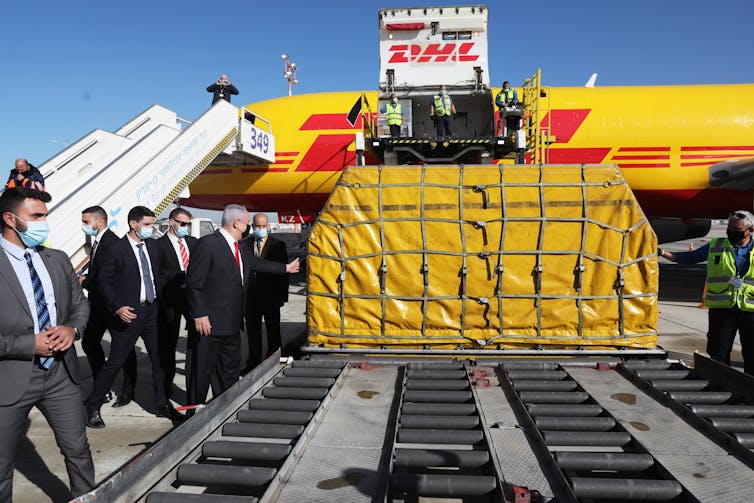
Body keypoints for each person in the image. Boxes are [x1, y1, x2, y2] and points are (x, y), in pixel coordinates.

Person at [0, 187, 95, 500]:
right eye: (37, 216)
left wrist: (72, 330)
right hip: (10, 380)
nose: (44, 223)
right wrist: (29, 344)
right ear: (10, 219)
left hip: (60, 375)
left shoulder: (56, 258)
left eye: (45, 216)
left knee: (78, 449)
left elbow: (80, 304)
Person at [185, 205, 299, 409]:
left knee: (228, 370)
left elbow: (257, 264)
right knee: (201, 371)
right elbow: (193, 283)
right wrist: (199, 314)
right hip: (209, 323)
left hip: (233, 322)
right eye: (247, 223)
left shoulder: (240, 248)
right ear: (236, 223)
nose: (249, 227)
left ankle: (225, 407)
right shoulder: (208, 244)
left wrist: (285, 268)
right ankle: (194, 411)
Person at [84, 206, 185, 428]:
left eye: (152, 224)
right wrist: (117, 306)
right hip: (128, 312)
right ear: (133, 224)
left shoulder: (152, 245)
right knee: (116, 360)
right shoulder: (116, 248)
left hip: (153, 311)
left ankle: (161, 405)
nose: (151, 228)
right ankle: (92, 404)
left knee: (159, 359)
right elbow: (104, 282)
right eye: (147, 225)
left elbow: (158, 275)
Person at [660, 210, 754, 375]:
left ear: (750, 230)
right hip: (722, 310)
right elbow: (689, 257)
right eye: (729, 229)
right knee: (718, 354)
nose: (731, 233)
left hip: (750, 311)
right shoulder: (716, 245)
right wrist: (662, 253)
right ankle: (722, 387)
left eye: (736, 230)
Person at [80, 206, 138, 407]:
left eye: (86, 222)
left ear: (101, 222)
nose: (83, 226)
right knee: (89, 343)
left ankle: (128, 389)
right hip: (98, 306)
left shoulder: (111, 243)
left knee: (123, 350)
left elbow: (105, 278)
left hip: (112, 306)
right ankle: (102, 386)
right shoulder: (98, 242)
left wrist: (85, 282)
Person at [156, 208, 197, 401]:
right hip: (170, 300)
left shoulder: (193, 243)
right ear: (171, 222)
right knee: (168, 346)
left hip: (192, 299)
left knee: (196, 343)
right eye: (182, 223)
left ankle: (194, 385)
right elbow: (158, 275)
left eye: (188, 224)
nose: (185, 227)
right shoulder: (158, 245)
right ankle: (166, 387)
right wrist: (180, 276)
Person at [242, 213, 289, 373]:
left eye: (263, 226)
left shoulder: (278, 245)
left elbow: (284, 273)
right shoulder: (245, 244)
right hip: (251, 298)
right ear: (252, 226)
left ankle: (274, 361)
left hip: (271, 297)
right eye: (257, 226)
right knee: (253, 332)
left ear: (268, 226)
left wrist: (282, 297)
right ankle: (253, 362)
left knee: (273, 330)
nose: (260, 229)